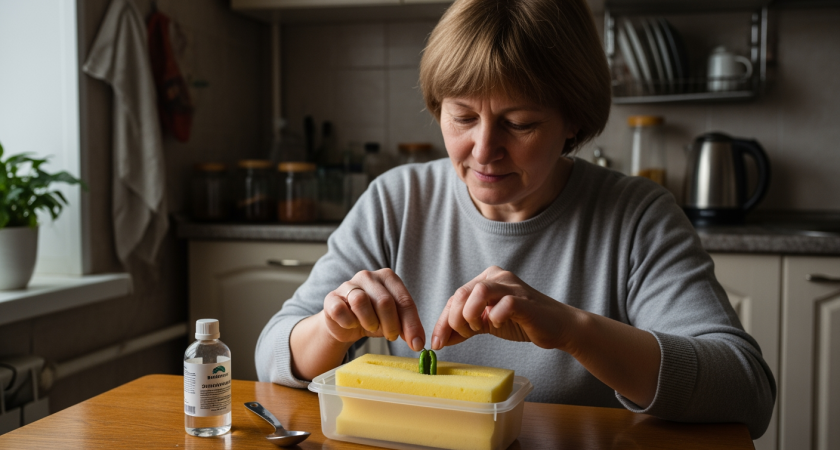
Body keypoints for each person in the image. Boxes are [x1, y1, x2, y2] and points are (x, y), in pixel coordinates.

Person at [256, 0, 775, 438]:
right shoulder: (397, 200)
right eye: (462, 116)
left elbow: (747, 390)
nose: (484, 150)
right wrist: (332, 325)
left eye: (520, 123)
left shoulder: (637, 216)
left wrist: (573, 330)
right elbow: (272, 353)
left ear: (573, 120)